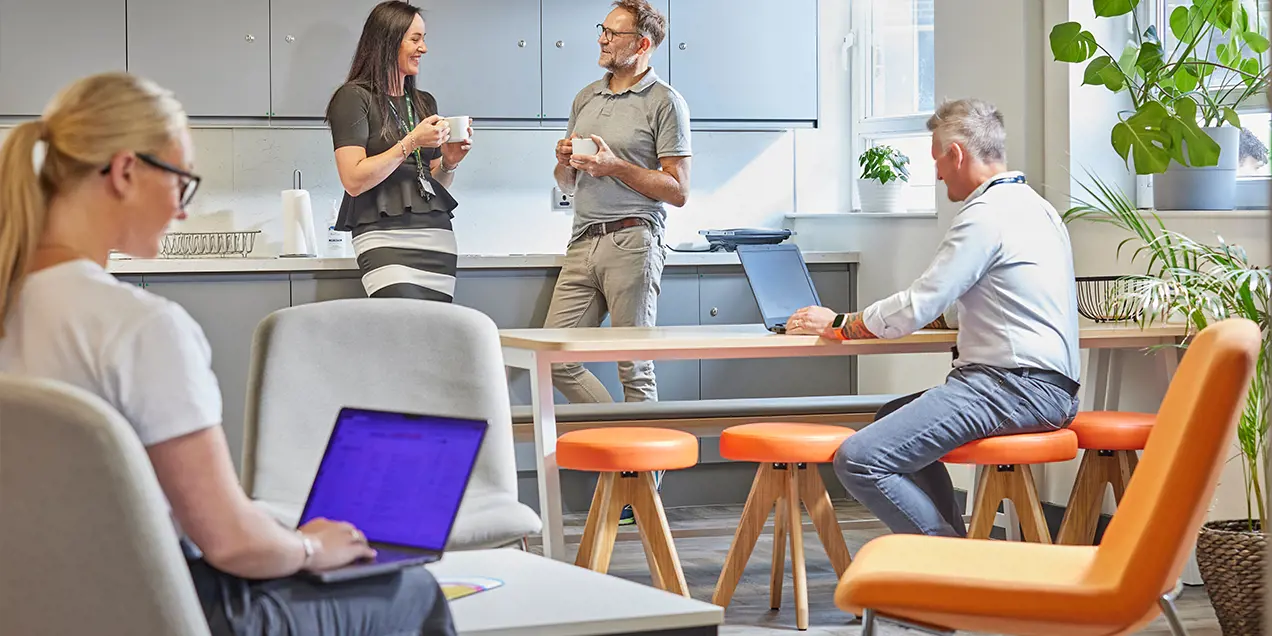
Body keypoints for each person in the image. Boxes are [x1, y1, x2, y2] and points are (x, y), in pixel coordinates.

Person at [0, 72, 455, 635]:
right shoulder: (139, 329)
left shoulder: (16, 306)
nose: (183, 211)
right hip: (158, 606)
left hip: (36, 605)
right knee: (410, 589)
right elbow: (232, 545)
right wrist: (308, 548)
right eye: (180, 183)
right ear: (123, 172)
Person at [787, 98, 1082, 538]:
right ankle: (953, 550)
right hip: (1048, 389)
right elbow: (965, 302)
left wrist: (839, 322)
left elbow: (918, 304)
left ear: (957, 154)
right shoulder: (1037, 208)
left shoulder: (984, 216)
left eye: (937, 161)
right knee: (892, 414)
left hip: (1012, 388)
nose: (937, 174)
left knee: (861, 459)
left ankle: (946, 563)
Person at [549, 0, 692, 405]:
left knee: (635, 369)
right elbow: (567, 184)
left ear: (642, 43)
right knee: (555, 360)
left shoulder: (665, 101)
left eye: (613, 34)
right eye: (603, 30)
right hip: (582, 242)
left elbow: (678, 190)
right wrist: (564, 164)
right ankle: (620, 446)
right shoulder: (586, 98)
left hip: (633, 240)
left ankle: (641, 470)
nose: (602, 39)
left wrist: (615, 166)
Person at [328, 0, 473, 302]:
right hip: (381, 235)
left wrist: (448, 162)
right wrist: (411, 142)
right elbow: (353, 180)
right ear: (388, 42)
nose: (424, 48)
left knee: (434, 329)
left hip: (435, 235)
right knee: (399, 325)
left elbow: (434, 183)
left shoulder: (423, 103)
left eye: (424, 39)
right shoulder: (353, 98)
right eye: (415, 39)